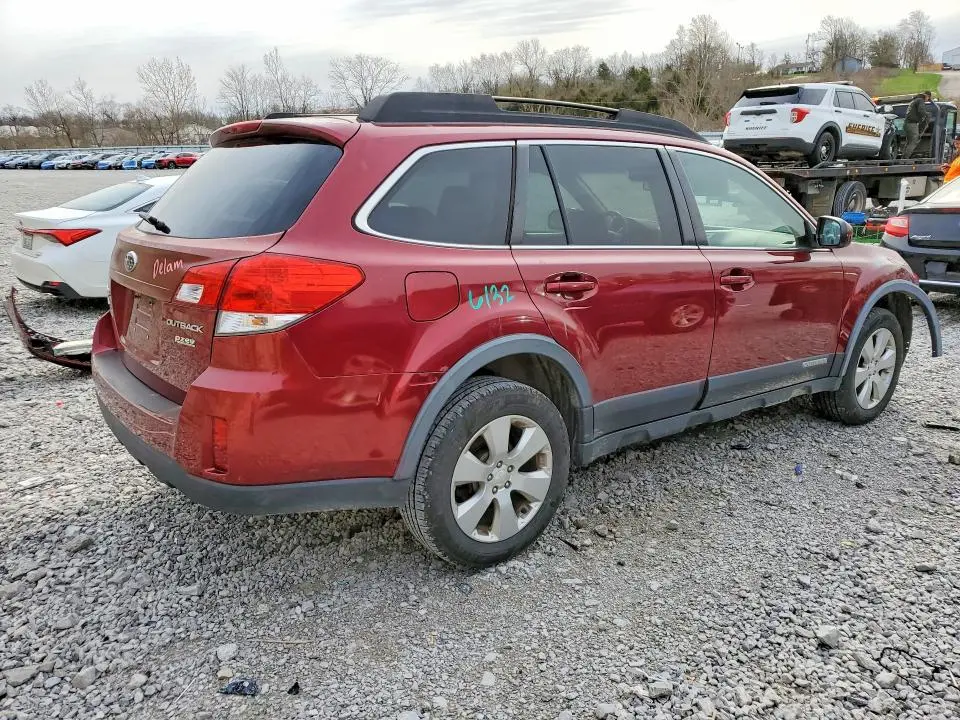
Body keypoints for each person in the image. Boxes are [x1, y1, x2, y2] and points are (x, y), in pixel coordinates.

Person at [903, 91, 932, 159]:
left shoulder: (915, 100)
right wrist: (927, 115)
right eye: (928, 98)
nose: (927, 100)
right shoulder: (920, 100)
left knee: (909, 142)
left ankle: (903, 158)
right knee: (914, 141)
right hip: (912, 124)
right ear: (927, 96)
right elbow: (921, 110)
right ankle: (905, 159)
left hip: (907, 124)